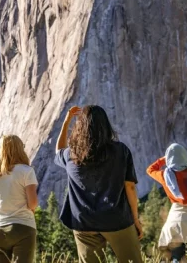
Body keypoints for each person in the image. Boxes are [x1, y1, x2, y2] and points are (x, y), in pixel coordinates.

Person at [54, 105, 143, 263]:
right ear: (106, 125)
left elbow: (58, 151)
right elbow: (129, 186)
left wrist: (66, 122)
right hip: (117, 219)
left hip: (84, 222)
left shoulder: (71, 155)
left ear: (79, 127)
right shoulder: (121, 151)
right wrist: (135, 219)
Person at [0, 135, 38, 263]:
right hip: (24, 227)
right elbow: (32, 203)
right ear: (20, 149)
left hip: (0, 230)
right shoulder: (26, 171)